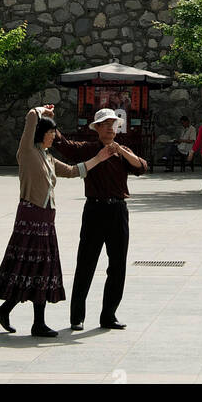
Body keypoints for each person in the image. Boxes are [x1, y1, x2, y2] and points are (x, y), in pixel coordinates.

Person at [0, 104, 115, 337]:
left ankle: (11, 312)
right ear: (41, 134)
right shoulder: (27, 152)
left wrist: (99, 157)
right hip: (30, 217)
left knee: (39, 269)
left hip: (46, 219)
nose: (54, 137)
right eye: (50, 133)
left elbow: (75, 170)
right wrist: (41, 111)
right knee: (31, 266)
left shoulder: (48, 158)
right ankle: (30, 320)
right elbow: (29, 119)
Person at [53, 107, 149, 331]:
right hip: (94, 210)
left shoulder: (122, 151)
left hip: (118, 211)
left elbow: (142, 167)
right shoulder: (88, 149)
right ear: (96, 128)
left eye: (113, 124)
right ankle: (77, 317)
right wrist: (50, 121)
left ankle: (109, 315)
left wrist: (121, 151)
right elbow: (64, 146)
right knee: (86, 264)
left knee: (117, 266)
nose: (109, 128)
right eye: (104, 124)